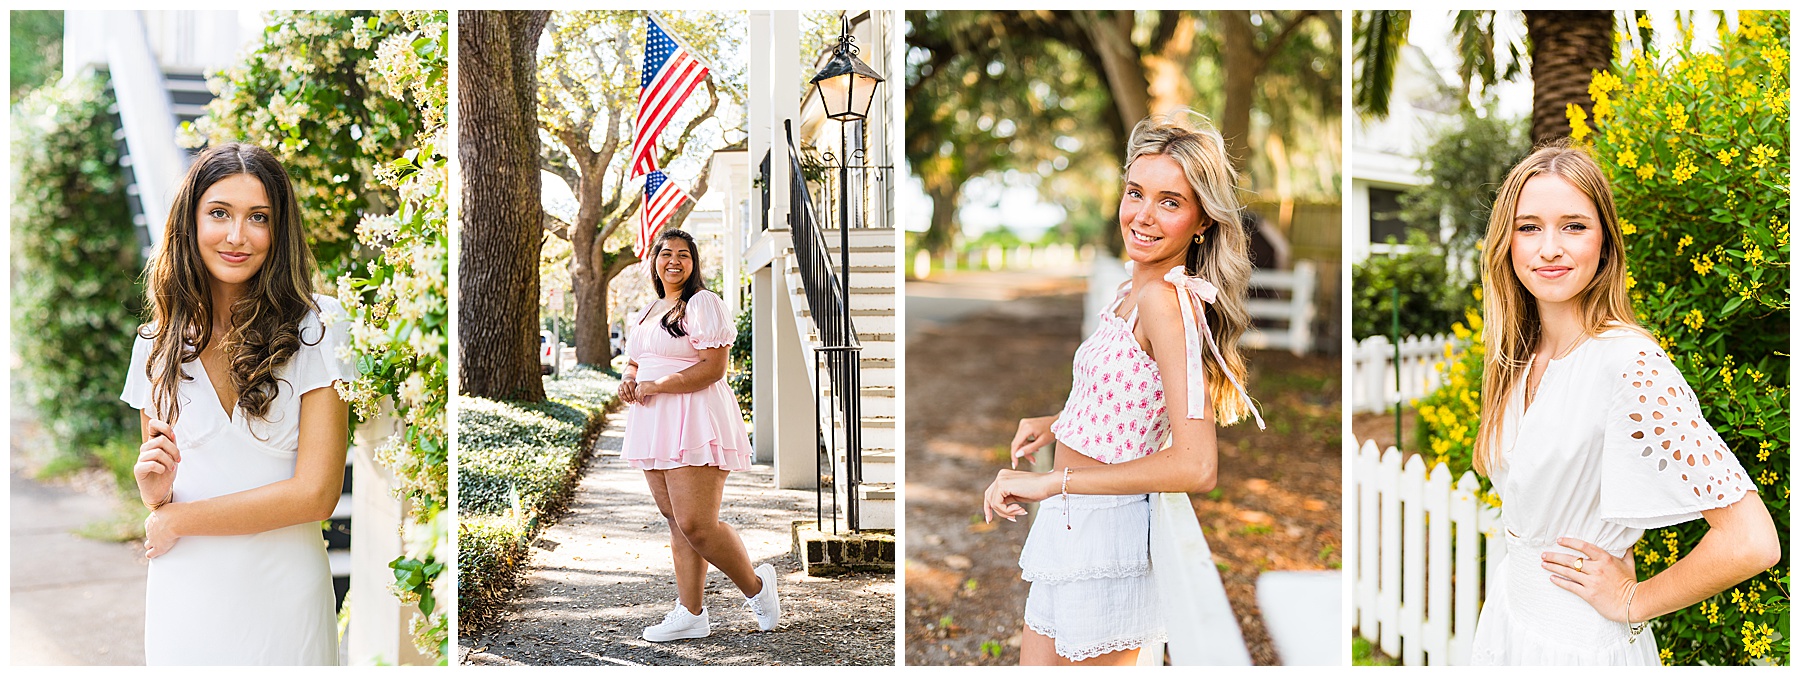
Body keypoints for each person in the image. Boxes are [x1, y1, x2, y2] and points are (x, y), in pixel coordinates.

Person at [1466, 143, 1781, 665]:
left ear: (1605, 244)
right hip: (1510, 625)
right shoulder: (1517, 356)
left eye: (1573, 226)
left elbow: (1751, 540)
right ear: (1506, 244)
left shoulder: (1629, 364)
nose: (1549, 248)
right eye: (1528, 227)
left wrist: (1633, 598)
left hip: (1579, 650)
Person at [982, 112, 1264, 665]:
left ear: (1202, 220)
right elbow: (1126, 404)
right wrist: (1057, 423)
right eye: (1136, 192)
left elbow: (1196, 465)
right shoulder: (1128, 292)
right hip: (1075, 526)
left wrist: (1052, 482)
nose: (1143, 215)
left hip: (1103, 537)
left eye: (1170, 201)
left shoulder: (1166, 302)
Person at [122, 143, 353, 665]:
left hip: (284, 599)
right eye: (219, 213)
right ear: (190, 221)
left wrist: (176, 519)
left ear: (279, 232)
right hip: (186, 593)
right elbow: (168, 497)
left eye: (258, 218)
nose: (236, 236)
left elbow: (316, 495)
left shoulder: (319, 329)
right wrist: (155, 495)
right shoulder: (155, 344)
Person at [617, 229, 778, 642]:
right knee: (676, 522)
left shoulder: (702, 303)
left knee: (696, 523)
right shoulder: (650, 309)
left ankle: (757, 588)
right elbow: (636, 360)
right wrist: (630, 378)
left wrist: (656, 385)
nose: (674, 261)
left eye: (683, 254)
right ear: (654, 260)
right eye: (666, 253)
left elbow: (713, 368)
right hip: (653, 421)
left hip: (694, 417)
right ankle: (691, 613)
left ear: (694, 263)